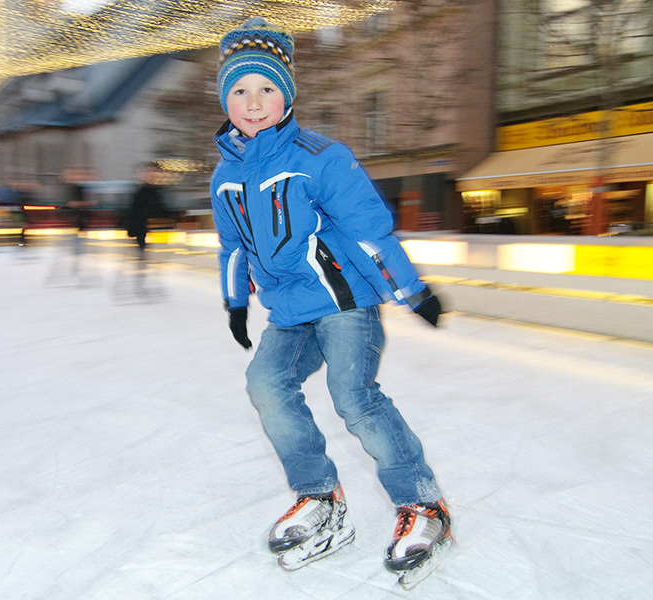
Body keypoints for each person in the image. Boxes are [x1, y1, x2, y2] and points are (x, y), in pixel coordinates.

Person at [209, 17, 451, 584]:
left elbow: (371, 230)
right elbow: (232, 246)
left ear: (286, 94)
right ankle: (319, 495)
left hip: (344, 303)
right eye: (240, 90)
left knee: (354, 397)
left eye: (267, 88)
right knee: (265, 385)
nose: (253, 101)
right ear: (225, 98)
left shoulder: (321, 155)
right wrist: (235, 303)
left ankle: (423, 505)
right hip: (288, 311)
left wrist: (411, 290)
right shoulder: (225, 173)